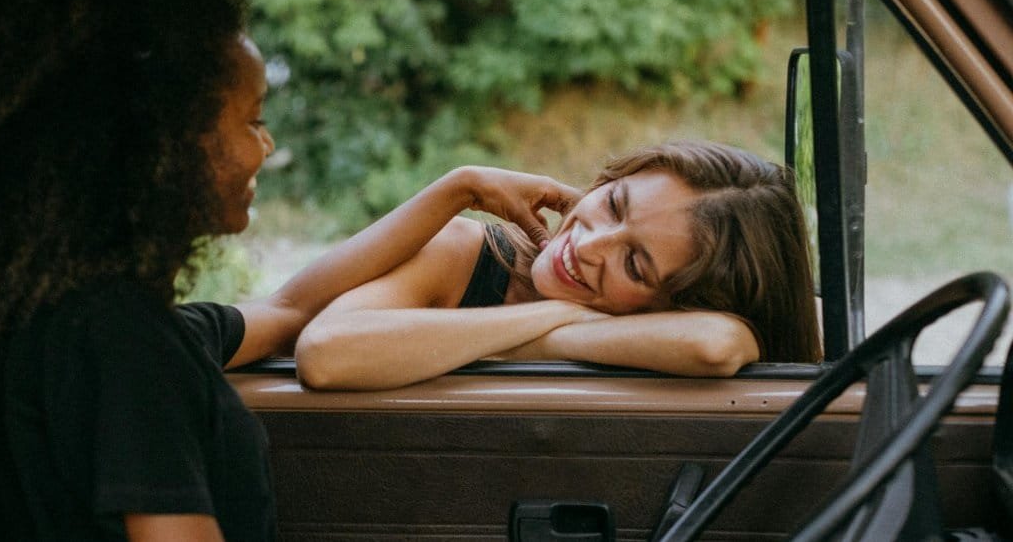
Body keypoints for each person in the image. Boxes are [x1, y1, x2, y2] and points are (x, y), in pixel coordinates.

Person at [0, 0, 580, 542]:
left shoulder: (96, 318)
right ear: (164, 141)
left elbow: (296, 307)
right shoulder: (119, 341)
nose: (265, 146)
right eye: (252, 119)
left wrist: (460, 189)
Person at [295, 140, 824, 390]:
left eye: (635, 265)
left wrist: (552, 335)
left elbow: (718, 343)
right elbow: (325, 354)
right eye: (614, 204)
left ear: (681, 303)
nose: (591, 245)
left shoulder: (687, 331)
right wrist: (558, 317)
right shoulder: (465, 253)